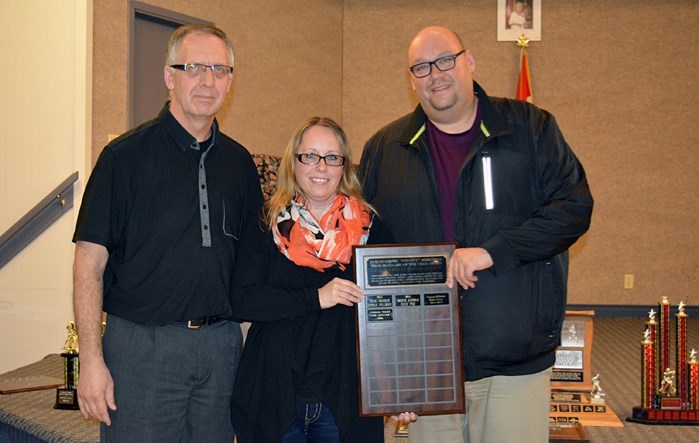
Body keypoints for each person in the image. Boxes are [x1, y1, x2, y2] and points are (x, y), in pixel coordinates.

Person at [358, 26, 593, 443]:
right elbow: (373, 257)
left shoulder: (531, 129)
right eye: (422, 67)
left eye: (445, 60)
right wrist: (391, 372)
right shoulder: (385, 149)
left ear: (469, 62)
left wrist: (492, 251)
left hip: (514, 356)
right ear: (411, 80)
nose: (436, 74)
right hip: (427, 367)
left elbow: (573, 209)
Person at [72, 24, 262, 441]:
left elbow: (250, 267)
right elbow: (88, 263)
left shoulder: (240, 165)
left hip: (220, 350)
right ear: (169, 76)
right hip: (142, 350)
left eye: (220, 69)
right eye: (194, 67)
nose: (208, 80)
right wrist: (91, 360)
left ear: (231, 81)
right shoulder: (123, 158)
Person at [231, 117, 414, 442]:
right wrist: (317, 297)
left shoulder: (373, 229)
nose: (321, 167)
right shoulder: (266, 224)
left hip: (345, 399)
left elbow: (393, 315)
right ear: (294, 162)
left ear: (344, 165)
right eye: (310, 155)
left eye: (332, 157)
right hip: (275, 396)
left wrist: (398, 386)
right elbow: (244, 300)